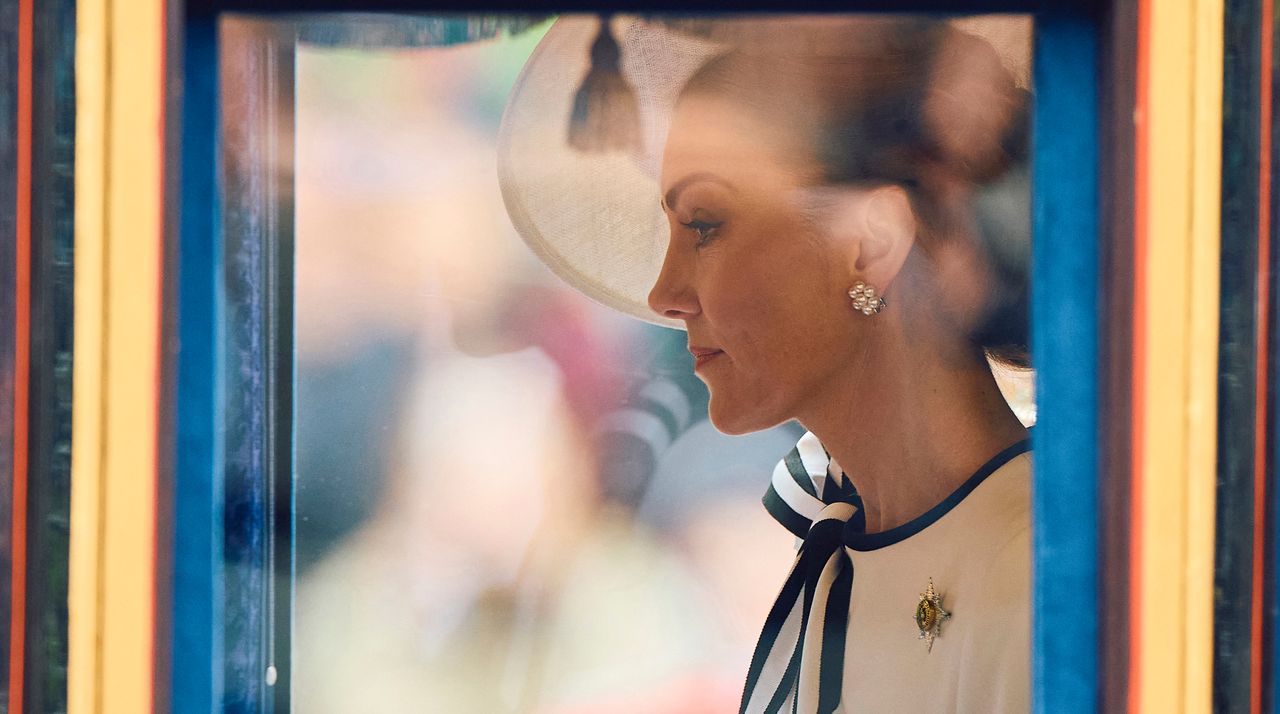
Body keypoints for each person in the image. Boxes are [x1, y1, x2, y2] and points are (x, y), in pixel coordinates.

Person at [499, 14, 1034, 712]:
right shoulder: (836, 558)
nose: (665, 292)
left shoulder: (1033, 578)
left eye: (704, 223)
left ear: (870, 243)